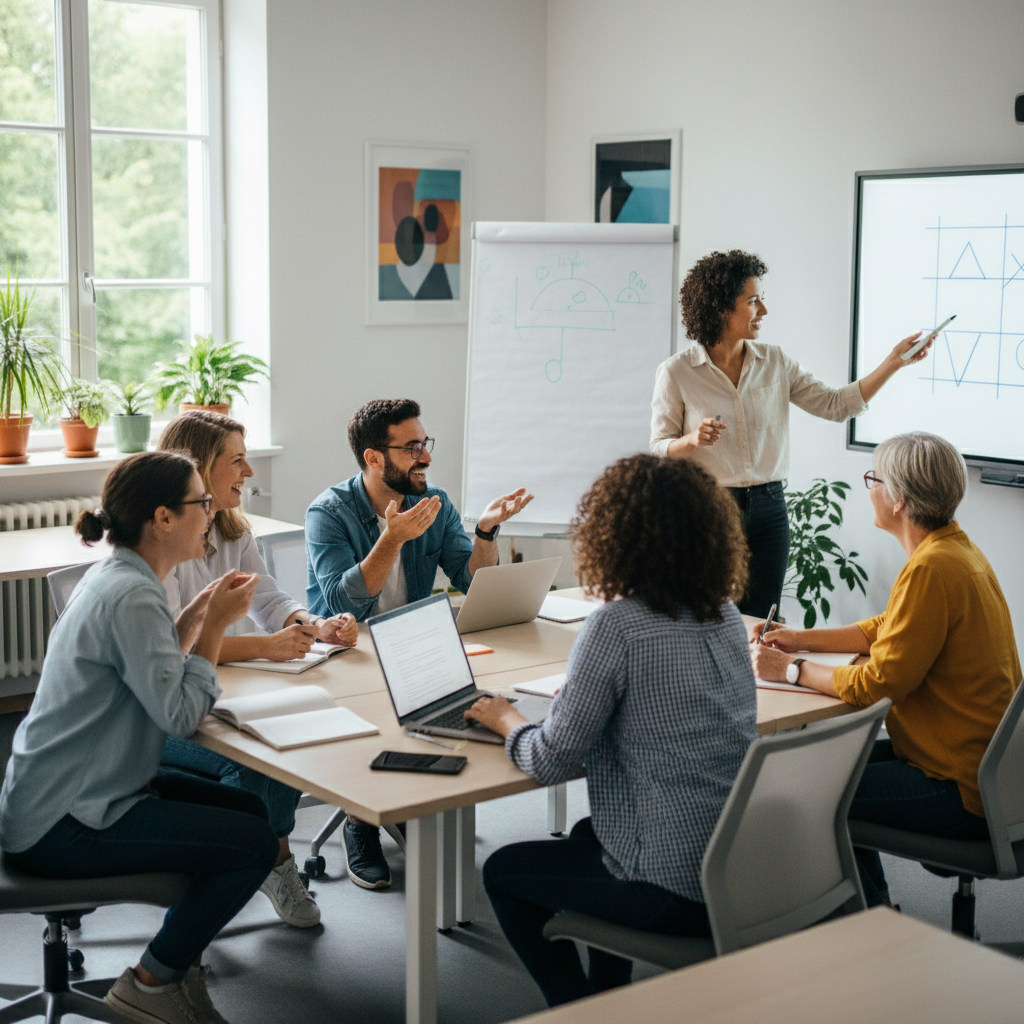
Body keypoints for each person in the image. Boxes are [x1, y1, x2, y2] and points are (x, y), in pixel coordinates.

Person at [464, 454, 756, 1007]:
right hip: (741, 863)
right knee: (584, 837)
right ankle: (608, 996)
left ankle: (580, 1011)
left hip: (674, 885)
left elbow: (549, 761)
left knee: (501, 871)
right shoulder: (725, 613)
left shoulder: (618, 624)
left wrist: (505, 717)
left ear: (615, 533)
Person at [0, 450, 276, 1024]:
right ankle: (153, 981)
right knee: (252, 845)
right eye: (201, 502)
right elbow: (178, 713)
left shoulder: (121, 577)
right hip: (64, 823)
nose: (211, 513)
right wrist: (218, 629)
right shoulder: (133, 593)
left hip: (73, 790)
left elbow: (147, 670)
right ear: (163, 518)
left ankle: (180, 966)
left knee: (252, 811)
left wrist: (196, 615)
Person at [751, 432, 1021, 906]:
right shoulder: (956, 552)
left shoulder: (931, 569)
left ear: (899, 499)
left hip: (959, 787)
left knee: (811, 793)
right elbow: (885, 627)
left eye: (873, 479)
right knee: (815, 769)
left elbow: (879, 684)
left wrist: (790, 670)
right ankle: (874, 910)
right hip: (990, 775)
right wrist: (800, 638)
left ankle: (868, 921)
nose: (868, 488)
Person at [305, 397, 535, 889]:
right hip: (345, 651)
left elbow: (469, 579)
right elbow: (339, 601)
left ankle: (410, 803)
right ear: (373, 457)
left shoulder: (435, 503)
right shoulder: (328, 512)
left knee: (461, 694)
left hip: (411, 644)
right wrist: (392, 539)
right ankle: (360, 820)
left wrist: (487, 530)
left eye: (424, 443)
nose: (425, 456)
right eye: (411, 447)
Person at [650, 249, 933, 617]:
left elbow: (836, 404)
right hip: (711, 507)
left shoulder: (776, 362)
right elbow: (657, 448)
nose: (763, 311)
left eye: (762, 300)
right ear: (721, 307)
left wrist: (893, 363)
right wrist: (690, 441)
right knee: (711, 618)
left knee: (762, 622)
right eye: (753, 301)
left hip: (770, 508)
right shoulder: (677, 372)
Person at [156, 410, 355, 928]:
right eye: (237, 461)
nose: (248, 473)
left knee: (287, 728)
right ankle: (252, 864)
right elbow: (173, 650)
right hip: (157, 711)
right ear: (200, 468)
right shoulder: (164, 544)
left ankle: (265, 861)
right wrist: (267, 648)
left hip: (215, 687)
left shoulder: (232, 528)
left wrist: (313, 624)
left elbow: (268, 597)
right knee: (250, 760)